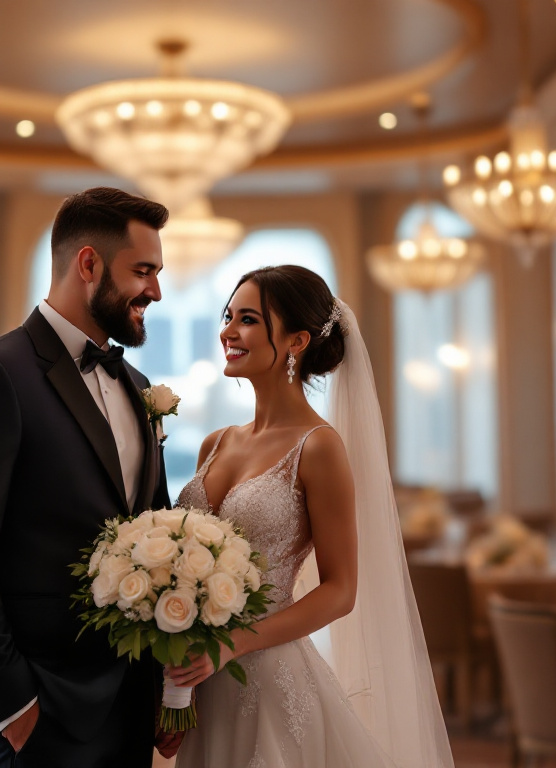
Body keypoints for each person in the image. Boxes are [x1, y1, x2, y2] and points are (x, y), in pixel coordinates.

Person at [0, 187, 175, 768]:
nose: (155, 291)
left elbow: (152, 535)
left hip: (124, 700)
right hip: (33, 705)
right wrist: (11, 705)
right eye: (143, 271)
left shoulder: (139, 388)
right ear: (89, 264)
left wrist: (162, 683)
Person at [166, 265, 454, 768]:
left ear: (297, 341)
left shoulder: (318, 447)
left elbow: (340, 591)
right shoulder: (216, 443)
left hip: (267, 679)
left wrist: (233, 644)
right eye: (228, 316)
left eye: (249, 320)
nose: (228, 332)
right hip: (199, 677)